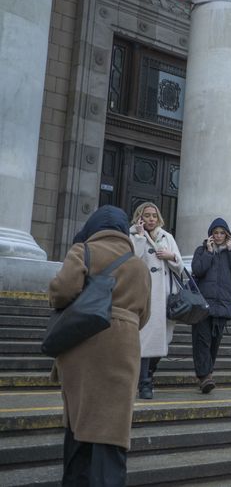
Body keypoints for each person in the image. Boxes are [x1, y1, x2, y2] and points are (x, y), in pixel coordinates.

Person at [48, 205, 151, 486]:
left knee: (79, 424)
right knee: (112, 429)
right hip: (124, 347)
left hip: (82, 344)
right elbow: (144, 313)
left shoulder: (83, 251)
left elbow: (62, 291)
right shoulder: (139, 264)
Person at [129, 202, 184, 399]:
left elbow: (180, 267)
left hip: (165, 297)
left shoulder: (166, 237)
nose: (151, 219)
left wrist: (171, 256)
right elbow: (133, 259)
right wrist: (140, 237)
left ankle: (148, 374)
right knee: (145, 340)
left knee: (161, 342)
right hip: (144, 296)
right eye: (147, 215)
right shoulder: (134, 236)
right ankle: (144, 383)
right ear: (140, 217)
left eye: (154, 215)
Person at [190, 217, 231, 393]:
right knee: (202, 342)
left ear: (227, 235)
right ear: (211, 235)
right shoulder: (201, 250)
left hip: (222, 305)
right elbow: (197, 270)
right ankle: (204, 377)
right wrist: (208, 252)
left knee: (214, 343)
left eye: (222, 233)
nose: (219, 235)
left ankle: (207, 374)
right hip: (203, 304)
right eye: (216, 233)